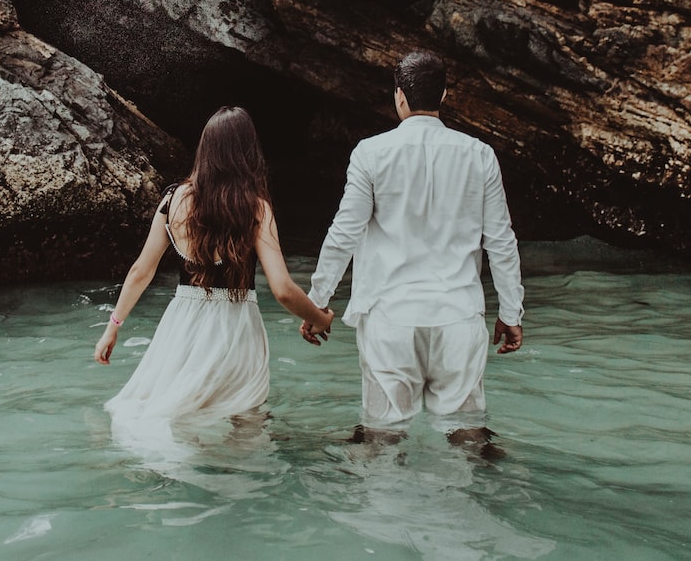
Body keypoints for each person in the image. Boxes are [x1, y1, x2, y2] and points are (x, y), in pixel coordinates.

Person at [303, 51, 524, 445]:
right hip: (458, 314)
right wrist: (511, 311)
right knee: (468, 437)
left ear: (399, 96)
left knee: (381, 436)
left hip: (390, 316)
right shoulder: (480, 155)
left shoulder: (371, 153)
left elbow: (344, 233)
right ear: (444, 95)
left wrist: (317, 301)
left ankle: (384, 504)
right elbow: (501, 240)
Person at [95, 106, 334, 425]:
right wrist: (319, 317)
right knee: (245, 419)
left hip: (181, 325)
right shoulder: (255, 208)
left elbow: (142, 271)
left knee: (178, 419)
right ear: (248, 153)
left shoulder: (172, 200)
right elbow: (283, 290)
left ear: (204, 150)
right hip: (236, 326)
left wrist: (112, 329)